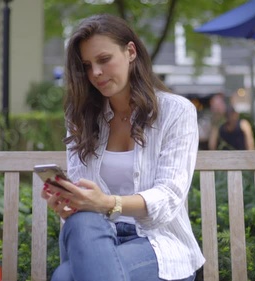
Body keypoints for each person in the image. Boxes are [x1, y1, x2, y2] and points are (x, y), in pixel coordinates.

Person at [41, 14, 205, 281]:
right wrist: (70, 202)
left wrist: (107, 203)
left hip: (159, 244)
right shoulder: (80, 117)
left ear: (130, 52)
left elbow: (169, 197)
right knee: (82, 221)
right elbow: (85, 195)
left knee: (65, 278)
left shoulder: (176, 112)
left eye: (104, 60)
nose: (95, 73)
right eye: (86, 65)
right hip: (94, 238)